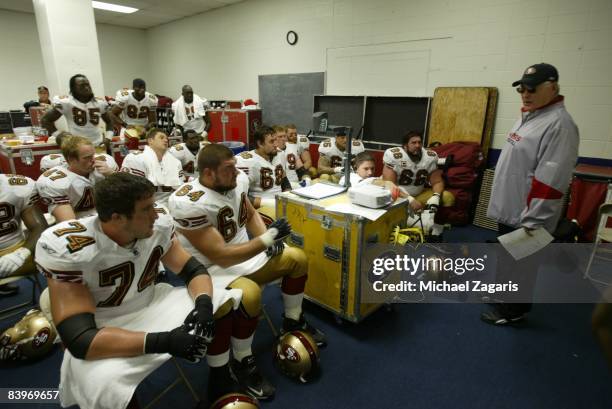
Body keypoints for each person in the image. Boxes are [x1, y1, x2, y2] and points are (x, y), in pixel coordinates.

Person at [35, 172, 242, 409]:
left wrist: (203, 303)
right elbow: (81, 339)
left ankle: (220, 376)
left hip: (151, 302)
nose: (156, 213)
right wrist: (165, 341)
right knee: (105, 386)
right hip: (105, 327)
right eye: (146, 209)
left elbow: (193, 271)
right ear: (118, 218)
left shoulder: (158, 225)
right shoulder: (69, 248)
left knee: (221, 300)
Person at [168, 143, 326, 400]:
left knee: (297, 258)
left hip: (246, 254)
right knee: (250, 295)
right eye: (228, 169)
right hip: (211, 270)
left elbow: (249, 211)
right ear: (208, 173)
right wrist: (265, 241)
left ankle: (293, 321)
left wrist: (266, 236)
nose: (236, 172)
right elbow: (220, 255)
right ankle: (241, 361)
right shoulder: (186, 201)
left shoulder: (237, 180)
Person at [483, 62, 579, 325]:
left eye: (533, 88)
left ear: (553, 87)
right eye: (522, 88)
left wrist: (533, 224)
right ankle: (504, 296)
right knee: (508, 259)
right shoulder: (530, 116)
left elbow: (550, 182)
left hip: (528, 214)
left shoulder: (559, 125)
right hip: (510, 208)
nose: (526, 93)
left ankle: (513, 312)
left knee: (521, 265)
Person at [382, 131, 453, 238]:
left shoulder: (430, 156)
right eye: (413, 143)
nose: (417, 145)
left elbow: (437, 181)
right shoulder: (394, 155)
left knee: (448, 197)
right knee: (398, 224)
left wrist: (436, 196)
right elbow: (388, 184)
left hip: (419, 193)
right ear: (405, 145)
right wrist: (409, 199)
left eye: (419, 142)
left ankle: (437, 232)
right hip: (397, 195)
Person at [36, 135, 117, 222]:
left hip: (110, 219)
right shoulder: (56, 182)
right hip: (81, 224)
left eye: (93, 155)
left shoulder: (106, 164)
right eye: (87, 158)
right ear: (71, 159)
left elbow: (129, 196)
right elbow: (69, 224)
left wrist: (112, 175)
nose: (93, 160)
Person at [0, 174, 48, 296]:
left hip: (14, 248)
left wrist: (21, 254)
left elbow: (39, 226)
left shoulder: (16, 187)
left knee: (54, 257)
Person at [235, 125, 291, 220]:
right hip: (259, 208)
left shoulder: (279, 153)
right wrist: (268, 202)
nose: (276, 145)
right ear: (260, 143)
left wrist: (288, 196)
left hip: (280, 202)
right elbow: (238, 196)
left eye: (276, 140)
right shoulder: (247, 161)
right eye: (271, 141)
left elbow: (284, 178)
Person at [41, 74, 113, 147]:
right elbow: (45, 120)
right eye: (82, 86)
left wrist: (108, 138)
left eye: (88, 84)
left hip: (98, 144)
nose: (87, 87)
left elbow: (110, 121)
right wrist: (58, 135)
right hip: (76, 146)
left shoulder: (100, 102)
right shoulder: (66, 102)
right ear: (73, 88)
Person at [120, 128, 185, 208]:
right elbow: (132, 190)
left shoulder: (175, 162)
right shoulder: (136, 158)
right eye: (161, 137)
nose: (165, 140)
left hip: (171, 204)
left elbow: (180, 189)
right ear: (150, 141)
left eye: (166, 138)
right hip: (146, 205)